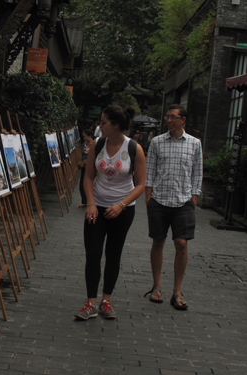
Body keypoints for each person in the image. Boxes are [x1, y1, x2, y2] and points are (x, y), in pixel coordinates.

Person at [74, 105, 146, 320]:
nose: (99, 125)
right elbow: (88, 177)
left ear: (115, 125)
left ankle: (106, 300)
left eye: (103, 122)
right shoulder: (98, 144)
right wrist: (91, 204)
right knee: (93, 253)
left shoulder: (134, 148)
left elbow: (141, 185)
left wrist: (121, 204)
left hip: (122, 211)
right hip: (97, 208)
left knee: (113, 254)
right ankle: (90, 303)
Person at [144, 104, 203, 310]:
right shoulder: (157, 142)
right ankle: (156, 286)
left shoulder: (195, 144)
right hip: (159, 200)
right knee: (158, 242)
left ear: (183, 120)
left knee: (181, 244)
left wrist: (193, 198)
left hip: (184, 201)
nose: (169, 120)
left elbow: (198, 173)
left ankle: (177, 290)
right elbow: (149, 172)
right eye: (167, 117)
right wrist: (149, 199)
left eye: (173, 117)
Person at [78, 129, 95, 208]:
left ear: (89, 136)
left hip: (93, 167)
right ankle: (84, 201)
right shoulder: (84, 144)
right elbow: (83, 154)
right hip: (84, 166)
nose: (83, 138)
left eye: (84, 136)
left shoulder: (95, 144)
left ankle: (92, 201)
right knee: (82, 184)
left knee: (93, 184)